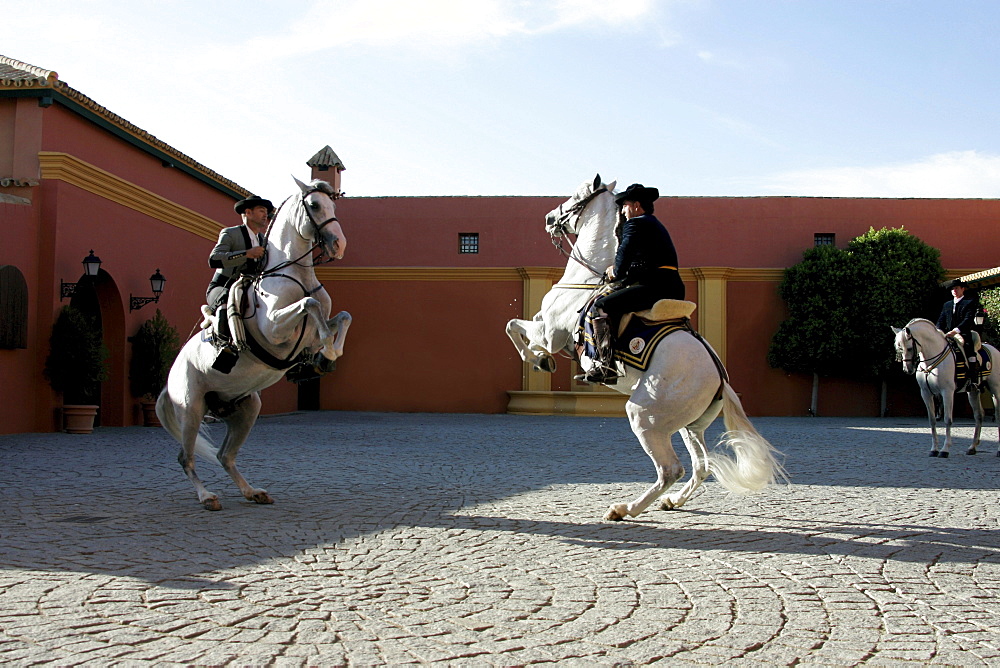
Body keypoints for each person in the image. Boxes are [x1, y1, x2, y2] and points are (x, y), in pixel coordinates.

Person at [580, 183, 685, 384]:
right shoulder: (654, 224)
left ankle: (605, 365)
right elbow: (645, 263)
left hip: (653, 287)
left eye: (625, 205)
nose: (622, 211)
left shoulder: (635, 224)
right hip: (673, 286)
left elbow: (623, 259)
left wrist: (614, 272)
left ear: (636, 205)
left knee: (601, 307)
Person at [203, 195, 274, 319]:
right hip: (223, 287)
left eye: (266, 212)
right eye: (261, 211)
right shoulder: (230, 233)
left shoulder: (265, 241)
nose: (265, 215)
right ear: (248, 212)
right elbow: (214, 259)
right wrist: (246, 254)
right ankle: (222, 337)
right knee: (226, 300)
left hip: (252, 291)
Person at [936, 279, 980, 388]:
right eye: (952, 289)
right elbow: (941, 320)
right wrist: (937, 331)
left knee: (969, 351)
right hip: (947, 335)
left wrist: (956, 331)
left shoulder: (969, 302)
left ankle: (973, 379)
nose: (954, 290)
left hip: (962, 334)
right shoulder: (947, 304)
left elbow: (968, 319)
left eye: (956, 288)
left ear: (962, 289)